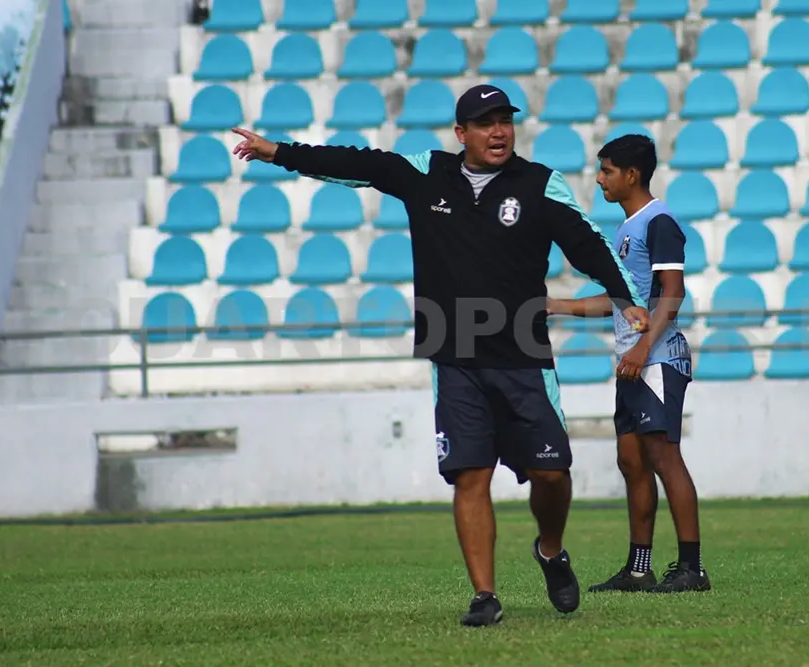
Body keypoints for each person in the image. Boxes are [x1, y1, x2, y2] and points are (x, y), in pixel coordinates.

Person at [230, 84, 650, 626]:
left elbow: (588, 243)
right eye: (485, 122)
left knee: (551, 474)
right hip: (453, 356)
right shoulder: (426, 172)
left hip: (523, 353)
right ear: (462, 134)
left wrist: (625, 299)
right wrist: (279, 153)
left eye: (505, 121)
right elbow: (360, 164)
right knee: (469, 475)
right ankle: (484, 595)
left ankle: (550, 550)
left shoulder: (542, 183)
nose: (498, 131)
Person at [546, 134, 711, 594]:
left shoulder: (659, 224)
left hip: (655, 360)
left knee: (663, 457)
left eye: (607, 170)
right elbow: (621, 301)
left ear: (631, 175)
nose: (600, 179)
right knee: (632, 462)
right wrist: (556, 304)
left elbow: (672, 293)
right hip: (634, 363)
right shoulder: (626, 229)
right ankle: (639, 569)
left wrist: (642, 349)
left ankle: (692, 568)